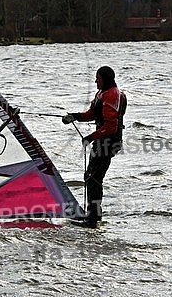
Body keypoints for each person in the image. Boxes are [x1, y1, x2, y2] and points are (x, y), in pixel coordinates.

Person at [62, 66, 127, 228]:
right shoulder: (101, 94)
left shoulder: (113, 95)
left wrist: (90, 137)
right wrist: (74, 117)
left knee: (94, 178)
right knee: (90, 177)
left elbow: (111, 127)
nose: (95, 81)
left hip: (109, 141)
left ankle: (92, 219)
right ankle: (92, 215)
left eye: (97, 78)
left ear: (105, 79)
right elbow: (91, 114)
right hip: (101, 140)